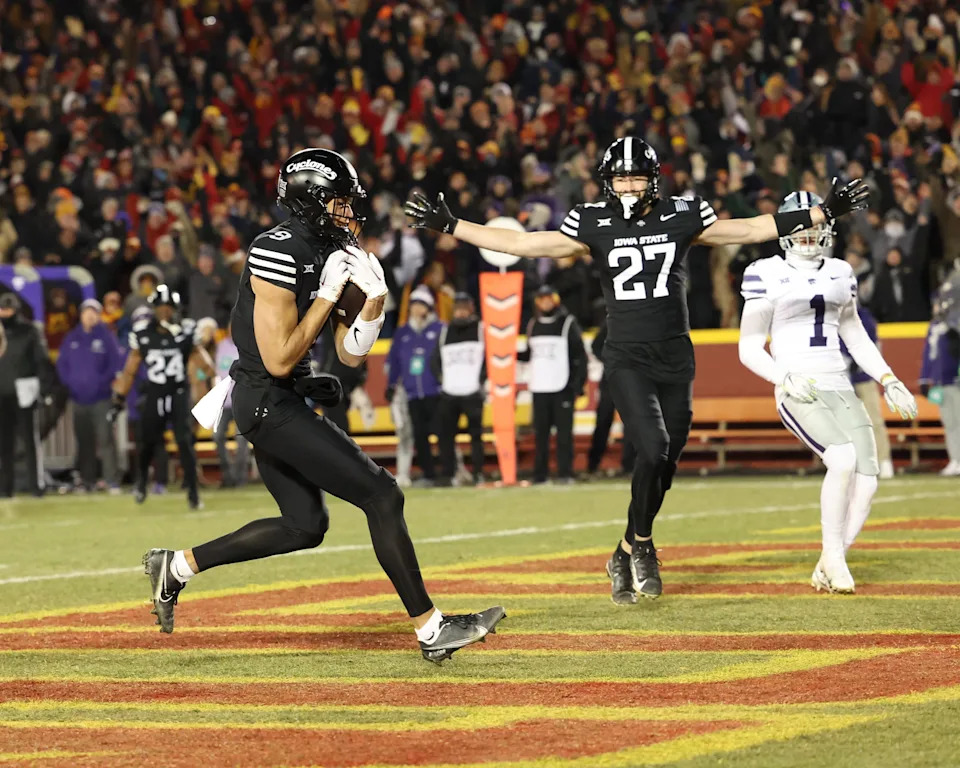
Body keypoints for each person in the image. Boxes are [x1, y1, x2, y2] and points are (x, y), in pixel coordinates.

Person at [405, 135, 870, 604]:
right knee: (653, 449)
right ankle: (643, 546)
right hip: (627, 354)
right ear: (608, 181)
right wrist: (452, 225)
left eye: (636, 176)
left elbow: (748, 230)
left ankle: (624, 548)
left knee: (665, 465)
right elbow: (525, 244)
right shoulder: (593, 220)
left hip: (675, 355)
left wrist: (820, 212)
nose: (628, 185)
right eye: (621, 177)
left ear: (653, 179)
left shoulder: (680, 214)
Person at [141, 148, 503, 663]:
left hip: (283, 396)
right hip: (266, 399)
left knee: (304, 525)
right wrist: (329, 294)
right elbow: (280, 357)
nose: (348, 212)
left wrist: (373, 307)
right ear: (309, 200)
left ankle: (175, 567)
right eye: (337, 202)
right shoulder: (276, 250)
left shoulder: (336, 246)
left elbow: (350, 354)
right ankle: (431, 629)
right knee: (382, 495)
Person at [738, 191, 918, 594]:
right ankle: (834, 559)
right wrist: (783, 377)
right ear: (784, 229)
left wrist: (888, 378)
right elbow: (748, 347)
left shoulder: (840, 271)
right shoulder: (764, 271)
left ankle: (829, 561)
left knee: (868, 479)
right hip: (799, 385)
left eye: (815, 224)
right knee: (841, 458)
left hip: (840, 382)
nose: (808, 233)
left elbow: (853, 333)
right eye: (800, 225)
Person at [110, 285, 212, 508]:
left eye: (169, 308)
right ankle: (142, 482)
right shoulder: (144, 334)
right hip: (155, 392)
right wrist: (118, 399)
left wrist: (206, 388)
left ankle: (193, 493)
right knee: (147, 442)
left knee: (185, 442)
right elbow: (130, 370)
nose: (165, 312)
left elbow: (204, 366)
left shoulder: (185, 333)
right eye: (161, 308)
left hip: (178, 392)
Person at [517, 285, 587, 484]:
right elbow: (530, 353)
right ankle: (540, 475)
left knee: (564, 434)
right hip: (540, 387)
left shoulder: (567, 323)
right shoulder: (533, 324)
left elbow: (579, 355)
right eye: (541, 299)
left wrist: (577, 384)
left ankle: (565, 473)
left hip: (562, 386)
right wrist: (507, 356)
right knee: (541, 435)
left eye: (549, 298)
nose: (545, 302)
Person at [56, 298, 123, 492]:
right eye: (87, 311)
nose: (90, 315)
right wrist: (70, 384)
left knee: (105, 439)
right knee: (84, 441)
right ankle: (87, 481)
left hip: (101, 398)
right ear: (81, 314)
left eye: (94, 311)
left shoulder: (106, 337)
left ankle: (111, 480)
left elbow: (115, 364)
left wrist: (102, 384)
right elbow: (62, 365)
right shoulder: (72, 338)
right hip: (78, 399)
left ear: (99, 314)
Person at [385, 286, 444, 486]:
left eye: (420, 305)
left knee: (443, 433)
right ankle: (429, 474)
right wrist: (392, 384)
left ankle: (450, 472)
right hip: (412, 392)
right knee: (419, 436)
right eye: (414, 305)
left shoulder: (439, 329)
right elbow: (394, 362)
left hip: (435, 390)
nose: (416, 309)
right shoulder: (403, 332)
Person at [434, 292, 486, 485]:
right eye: (458, 308)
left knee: (476, 436)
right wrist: (442, 379)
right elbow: (435, 360)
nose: (461, 312)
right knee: (445, 437)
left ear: (471, 309)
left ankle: (478, 473)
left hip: (472, 392)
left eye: (465, 308)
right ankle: (449, 474)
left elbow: (489, 359)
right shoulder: (445, 331)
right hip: (450, 393)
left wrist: (481, 380)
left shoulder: (481, 329)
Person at [0, 293, 47, 497]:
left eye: (8, 309)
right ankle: (5, 487)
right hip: (1, 393)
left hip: (24, 391)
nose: (5, 313)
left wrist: (42, 389)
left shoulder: (29, 330)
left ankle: (35, 486)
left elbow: (40, 361)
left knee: (30, 441)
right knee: (4, 444)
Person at [841, 304, 895, 479]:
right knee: (845, 425)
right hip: (840, 377)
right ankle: (852, 464)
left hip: (864, 377)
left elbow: (874, 345)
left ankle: (884, 460)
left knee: (874, 421)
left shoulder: (864, 316)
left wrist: (862, 364)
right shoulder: (829, 314)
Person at [919, 297, 960, 476]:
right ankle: (955, 459)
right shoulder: (934, 326)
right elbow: (928, 353)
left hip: (955, 379)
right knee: (949, 423)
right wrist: (924, 378)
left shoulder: (955, 323)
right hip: (941, 381)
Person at [213, 323, 249, 488]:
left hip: (242, 400)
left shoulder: (247, 346)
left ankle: (239, 477)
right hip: (224, 401)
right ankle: (227, 475)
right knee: (218, 436)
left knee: (241, 439)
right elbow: (213, 370)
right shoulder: (220, 346)